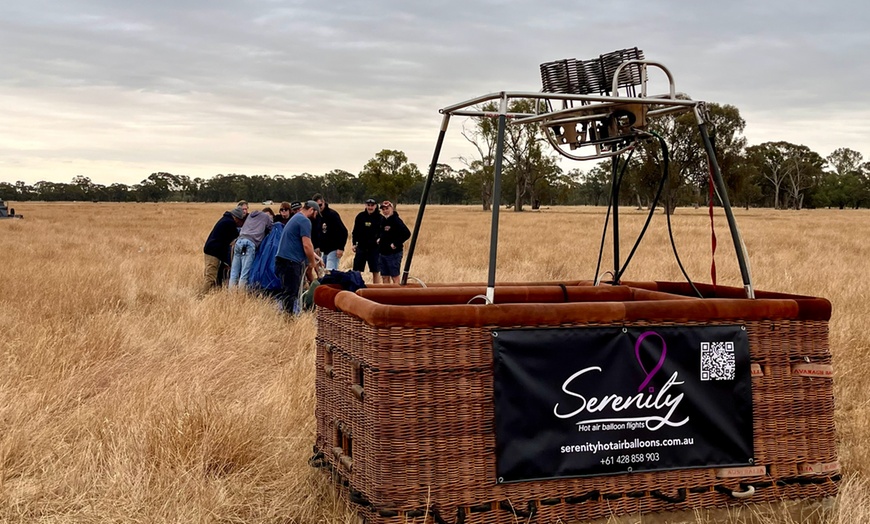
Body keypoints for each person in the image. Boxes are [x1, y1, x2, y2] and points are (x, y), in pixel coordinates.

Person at [275, 200, 320, 314]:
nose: (316, 216)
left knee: (287, 291)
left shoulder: (296, 218)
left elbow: (299, 242)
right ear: (311, 210)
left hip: (282, 259)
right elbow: (307, 245)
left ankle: (286, 313)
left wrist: (316, 257)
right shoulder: (304, 221)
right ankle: (288, 318)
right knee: (291, 292)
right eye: (316, 213)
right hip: (290, 261)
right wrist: (312, 263)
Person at [201, 206, 245, 295]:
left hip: (211, 250)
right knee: (211, 276)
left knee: (210, 275)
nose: (239, 223)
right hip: (213, 252)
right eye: (240, 220)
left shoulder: (225, 219)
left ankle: (209, 295)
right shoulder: (229, 223)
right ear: (237, 218)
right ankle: (202, 296)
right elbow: (236, 237)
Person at [229, 207, 274, 289]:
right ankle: (241, 297)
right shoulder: (266, 217)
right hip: (249, 244)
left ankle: (231, 296)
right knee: (244, 274)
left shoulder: (250, 216)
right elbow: (272, 228)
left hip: (239, 242)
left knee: (234, 272)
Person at [376, 200, 411, 284]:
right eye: (383, 209)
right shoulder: (383, 220)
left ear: (392, 208)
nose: (385, 211)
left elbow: (407, 233)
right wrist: (379, 238)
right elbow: (381, 232)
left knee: (394, 276)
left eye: (387, 208)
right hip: (382, 252)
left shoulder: (396, 220)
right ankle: (386, 294)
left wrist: (396, 243)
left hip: (393, 253)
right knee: (384, 276)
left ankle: (396, 293)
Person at [311, 193, 348, 272]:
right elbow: (314, 232)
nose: (319, 208)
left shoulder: (332, 215)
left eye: (320, 205)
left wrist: (341, 248)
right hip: (322, 251)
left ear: (323, 202)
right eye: (316, 207)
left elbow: (343, 231)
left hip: (333, 249)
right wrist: (316, 246)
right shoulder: (315, 216)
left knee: (331, 272)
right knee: (322, 273)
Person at [351, 198, 382, 283]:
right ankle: (357, 286)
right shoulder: (360, 216)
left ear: (376, 206)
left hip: (374, 248)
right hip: (361, 247)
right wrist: (354, 243)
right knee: (357, 271)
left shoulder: (380, 218)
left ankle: (376, 290)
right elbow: (355, 231)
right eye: (368, 205)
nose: (370, 207)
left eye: (372, 205)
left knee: (375, 270)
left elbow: (383, 233)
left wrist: (380, 239)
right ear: (365, 205)